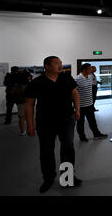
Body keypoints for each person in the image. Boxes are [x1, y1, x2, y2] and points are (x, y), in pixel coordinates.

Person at [24, 56, 82, 193]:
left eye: (61, 63)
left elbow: (75, 93)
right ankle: (48, 178)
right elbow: (29, 104)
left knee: (68, 148)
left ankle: (67, 177)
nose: (60, 65)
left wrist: (77, 109)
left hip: (67, 119)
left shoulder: (66, 78)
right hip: (45, 122)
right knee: (46, 151)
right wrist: (30, 125)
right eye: (57, 63)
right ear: (47, 66)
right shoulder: (37, 82)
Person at [75, 63, 107, 141]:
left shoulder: (90, 77)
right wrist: (76, 107)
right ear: (84, 70)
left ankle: (96, 134)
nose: (91, 70)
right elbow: (74, 93)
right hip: (81, 106)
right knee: (80, 123)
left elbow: (93, 86)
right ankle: (82, 137)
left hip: (89, 104)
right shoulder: (77, 79)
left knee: (92, 121)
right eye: (89, 68)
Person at [9, 70, 32, 135]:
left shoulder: (16, 86)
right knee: (28, 116)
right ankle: (29, 129)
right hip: (26, 102)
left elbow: (13, 93)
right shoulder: (27, 85)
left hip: (20, 102)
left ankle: (22, 131)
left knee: (21, 117)